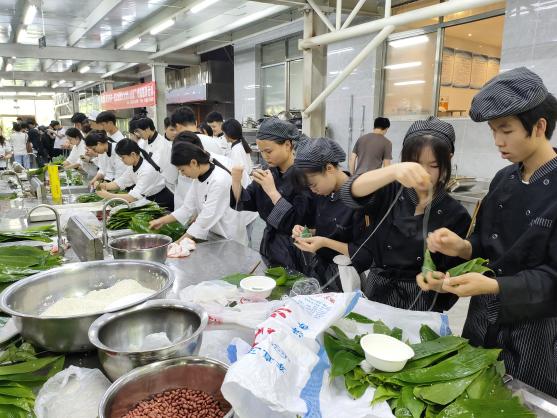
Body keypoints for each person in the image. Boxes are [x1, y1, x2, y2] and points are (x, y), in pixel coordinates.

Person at [424, 67, 557, 395]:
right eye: (493, 131)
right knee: (472, 393)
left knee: (518, 403)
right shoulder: (503, 179)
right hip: (482, 317)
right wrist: (462, 248)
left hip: (534, 331)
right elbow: (484, 244)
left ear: (540, 126)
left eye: (506, 130)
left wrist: (496, 285)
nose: (498, 141)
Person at [340, 117, 471, 312]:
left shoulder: (455, 213)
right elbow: (348, 194)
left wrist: (441, 282)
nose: (424, 172)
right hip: (378, 289)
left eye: (434, 165)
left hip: (421, 298)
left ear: (448, 159)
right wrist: (391, 171)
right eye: (414, 163)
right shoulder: (389, 191)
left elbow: (457, 273)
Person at [231, 117, 312, 269]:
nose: (264, 156)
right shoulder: (269, 172)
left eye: (268, 151)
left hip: (296, 249)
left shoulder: (304, 176)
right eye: (261, 151)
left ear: (287, 145)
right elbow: (244, 202)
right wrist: (236, 180)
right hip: (269, 245)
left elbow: (297, 222)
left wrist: (272, 191)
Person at [291, 138, 365, 289]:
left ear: (329, 168)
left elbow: (364, 253)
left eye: (314, 185)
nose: (313, 191)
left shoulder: (359, 198)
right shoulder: (325, 192)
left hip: (346, 275)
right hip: (321, 269)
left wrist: (324, 242)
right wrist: (307, 232)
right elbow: (327, 229)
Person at [149, 141, 247, 243]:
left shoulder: (219, 180)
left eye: (182, 170)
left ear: (193, 163)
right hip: (215, 233)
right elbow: (187, 208)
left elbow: (207, 217)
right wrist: (161, 221)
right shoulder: (198, 178)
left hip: (229, 236)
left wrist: (179, 242)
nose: (182, 174)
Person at [96, 139, 174, 210]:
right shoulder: (132, 166)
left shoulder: (146, 171)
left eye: (123, 157)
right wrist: (103, 185)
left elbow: (133, 197)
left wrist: (108, 195)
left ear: (133, 154)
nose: (122, 160)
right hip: (151, 201)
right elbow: (121, 181)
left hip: (163, 203)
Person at [132, 117, 178, 193]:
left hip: (165, 186)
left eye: (139, 132)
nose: (139, 135)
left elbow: (170, 172)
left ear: (147, 129)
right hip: (147, 184)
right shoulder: (142, 143)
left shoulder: (165, 145)